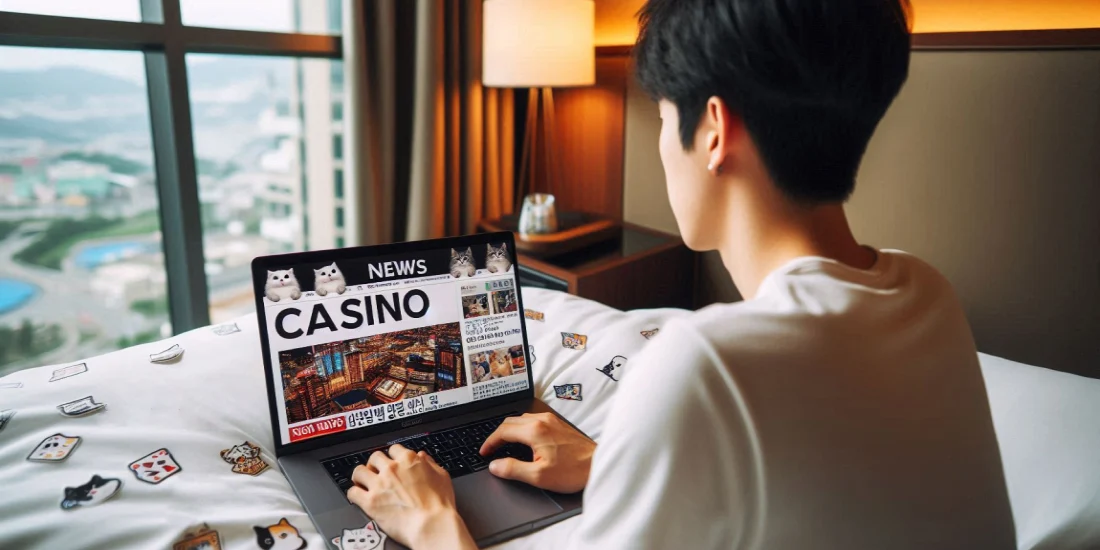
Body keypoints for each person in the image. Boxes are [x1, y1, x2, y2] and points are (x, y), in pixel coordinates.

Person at [344, 0, 1018, 548]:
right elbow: (833, 478)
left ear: (715, 131)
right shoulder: (928, 294)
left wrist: (435, 527)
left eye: (664, 119)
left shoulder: (703, 364)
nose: (664, 144)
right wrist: (614, 461)